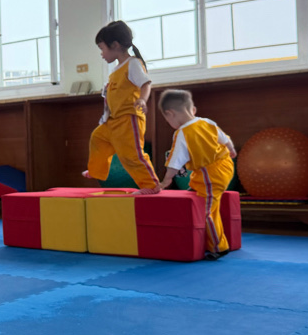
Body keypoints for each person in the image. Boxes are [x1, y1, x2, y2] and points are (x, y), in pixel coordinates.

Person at [153, 89, 237, 260]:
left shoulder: (183, 133)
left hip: (211, 174)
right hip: (225, 165)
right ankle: (196, 189)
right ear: (193, 110)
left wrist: (166, 180)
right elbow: (225, 139)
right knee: (198, 180)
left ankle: (219, 247)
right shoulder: (207, 122)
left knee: (206, 212)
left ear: (170, 114)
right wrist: (232, 150)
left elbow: (175, 161)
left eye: (167, 119)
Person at [83, 21, 159, 191]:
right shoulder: (116, 70)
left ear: (115, 45)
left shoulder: (133, 64)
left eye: (102, 48)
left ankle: (151, 185)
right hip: (113, 120)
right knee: (98, 138)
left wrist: (142, 100)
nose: (101, 54)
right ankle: (97, 170)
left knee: (131, 155)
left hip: (128, 119)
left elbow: (146, 84)